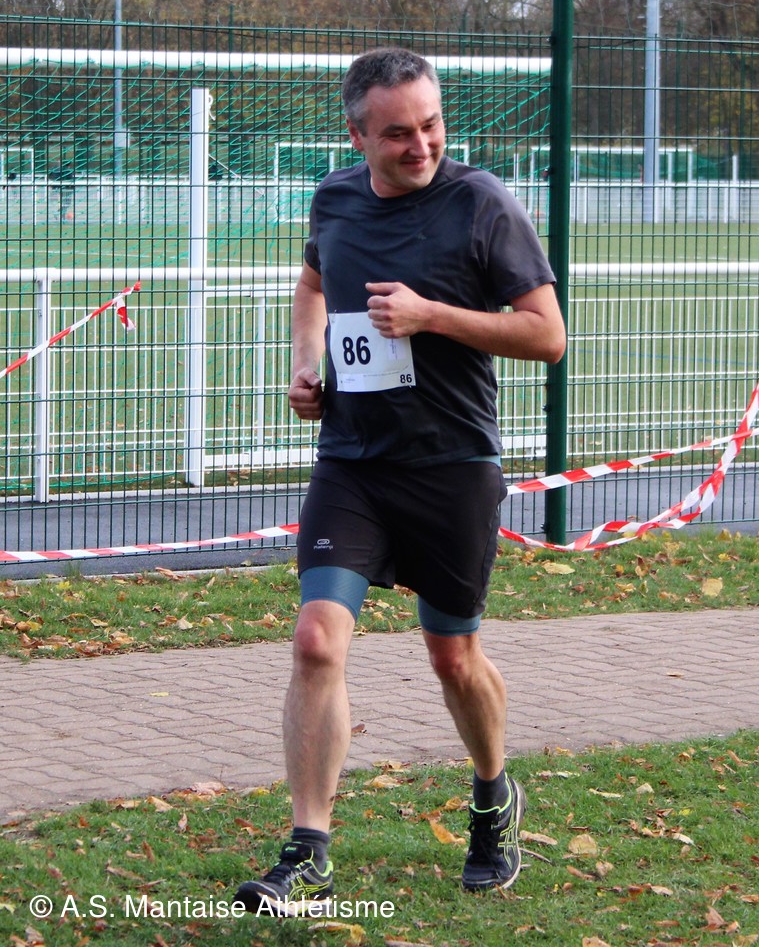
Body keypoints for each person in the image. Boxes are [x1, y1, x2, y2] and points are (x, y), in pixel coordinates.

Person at [233, 47, 566, 917]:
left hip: (452, 466)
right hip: (353, 461)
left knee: (451, 656)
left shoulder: (481, 203)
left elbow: (546, 335)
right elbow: (313, 283)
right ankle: (308, 852)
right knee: (316, 640)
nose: (420, 145)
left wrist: (430, 316)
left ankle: (491, 794)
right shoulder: (335, 199)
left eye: (431, 125)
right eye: (397, 134)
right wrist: (305, 364)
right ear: (357, 136)